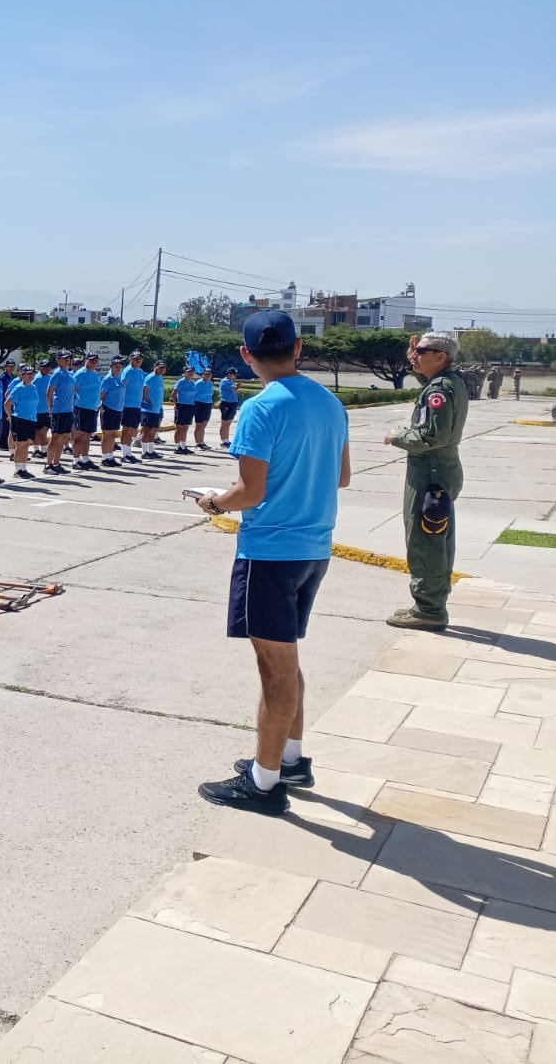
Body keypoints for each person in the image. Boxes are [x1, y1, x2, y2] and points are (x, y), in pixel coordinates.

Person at [195, 310, 350, 816]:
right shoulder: (330, 403)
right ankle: (290, 757)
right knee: (288, 660)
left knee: (274, 671)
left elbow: (250, 491)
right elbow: (341, 476)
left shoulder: (261, 408)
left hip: (269, 552)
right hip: (314, 547)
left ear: (246, 355)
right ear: (297, 347)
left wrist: (214, 502)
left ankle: (263, 784)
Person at [384, 332, 469, 631]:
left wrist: (398, 436)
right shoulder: (449, 382)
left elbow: (432, 436)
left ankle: (428, 609)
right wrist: (417, 364)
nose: (415, 355)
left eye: (421, 351)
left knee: (425, 540)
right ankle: (433, 602)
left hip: (429, 473)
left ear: (440, 357)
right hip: (440, 471)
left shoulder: (440, 390)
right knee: (437, 537)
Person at [44, 349, 76, 474]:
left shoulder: (70, 374)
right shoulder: (57, 374)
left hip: (68, 410)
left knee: (63, 438)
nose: (67, 360)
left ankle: (57, 463)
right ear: (58, 360)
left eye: (68, 358)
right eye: (64, 358)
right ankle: (48, 464)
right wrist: (50, 409)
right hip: (59, 411)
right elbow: (49, 393)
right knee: (55, 438)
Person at [4, 362, 39, 479]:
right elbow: (7, 404)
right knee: (21, 445)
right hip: (21, 419)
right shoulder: (19, 388)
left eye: (32, 374)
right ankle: (18, 469)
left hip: (32, 419)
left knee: (27, 444)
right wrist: (11, 417)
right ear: (22, 375)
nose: (30, 376)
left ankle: (23, 468)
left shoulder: (34, 387)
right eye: (28, 374)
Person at [69, 351, 103, 471]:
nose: (94, 362)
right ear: (85, 360)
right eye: (91, 360)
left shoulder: (96, 374)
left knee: (87, 436)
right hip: (81, 408)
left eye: (95, 360)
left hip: (92, 408)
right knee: (79, 435)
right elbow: (72, 391)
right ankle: (76, 460)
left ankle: (85, 459)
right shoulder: (80, 374)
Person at [97, 354, 127, 467]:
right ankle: (105, 457)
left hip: (118, 409)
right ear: (111, 367)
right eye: (116, 366)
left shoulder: (119, 379)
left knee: (113, 434)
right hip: (108, 409)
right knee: (107, 434)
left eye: (120, 367)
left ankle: (110, 456)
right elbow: (101, 395)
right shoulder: (107, 379)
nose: (118, 368)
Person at [119, 350, 145, 462]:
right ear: (131, 359)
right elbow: (122, 386)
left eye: (140, 359)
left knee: (132, 430)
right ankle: (124, 454)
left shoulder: (140, 371)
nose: (138, 360)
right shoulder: (128, 371)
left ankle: (129, 453)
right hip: (127, 405)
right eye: (136, 358)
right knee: (126, 430)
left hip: (137, 405)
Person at [140, 360, 167, 459]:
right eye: (160, 367)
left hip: (156, 409)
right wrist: (148, 402)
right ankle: (144, 452)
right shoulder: (150, 377)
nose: (162, 369)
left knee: (153, 431)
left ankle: (151, 451)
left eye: (164, 368)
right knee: (147, 431)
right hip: (148, 409)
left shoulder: (160, 377)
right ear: (155, 367)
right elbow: (145, 390)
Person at [171, 365, 198, 455]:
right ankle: (177, 447)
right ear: (185, 372)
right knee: (179, 427)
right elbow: (174, 393)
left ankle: (183, 446)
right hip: (182, 405)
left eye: (192, 371)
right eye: (188, 371)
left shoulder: (193, 382)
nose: (190, 373)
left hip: (190, 405)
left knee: (186, 427)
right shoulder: (181, 382)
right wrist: (176, 404)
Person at [31, 358, 52, 459]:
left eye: (48, 367)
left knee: (44, 430)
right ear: (40, 368)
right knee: (38, 431)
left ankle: (43, 449)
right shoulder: (36, 379)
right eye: (45, 367)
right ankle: (37, 449)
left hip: (47, 409)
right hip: (38, 409)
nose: (47, 369)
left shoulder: (50, 378)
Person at [192, 367, 216, 450]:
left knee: (204, 424)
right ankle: (198, 443)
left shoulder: (210, 383)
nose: (208, 375)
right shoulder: (198, 383)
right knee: (199, 424)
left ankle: (202, 441)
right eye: (206, 374)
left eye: (210, 374)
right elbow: (193, 394)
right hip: (199, 404)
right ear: (202, 375)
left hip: (208, 404)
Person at [219, 368, 241, 447]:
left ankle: (226, 440)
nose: (235, 376)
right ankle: (223, 441)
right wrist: (237, 386)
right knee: (224, 423)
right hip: (226, 403)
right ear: (229, 374)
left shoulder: (231, 381)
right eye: (234, 374)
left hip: (232, 403)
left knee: (228, 423)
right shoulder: (225, 381)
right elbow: (234, 389)